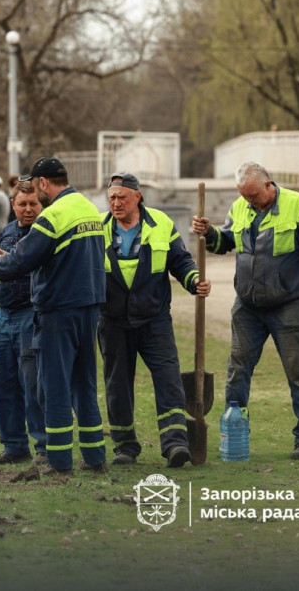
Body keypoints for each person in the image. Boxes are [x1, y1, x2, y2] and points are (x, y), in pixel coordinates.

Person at [0, 156, 107, 474]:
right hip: (90, 308)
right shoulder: (88, 208)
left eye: (36, 189)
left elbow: (21, 261)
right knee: (84, 385)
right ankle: (95, 458)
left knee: (53, 385)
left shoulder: (53, 216)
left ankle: (57, 461)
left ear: (43, 183)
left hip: (58, 311)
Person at [190, 161, 299, 460]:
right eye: (244, 196)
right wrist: (209, 232)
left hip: (288, 306)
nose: (248, 201)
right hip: (247, 307)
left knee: (298, 372)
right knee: (237, 372)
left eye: (253, 195)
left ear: (269, 185)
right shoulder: (240, 207)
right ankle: (234, 433)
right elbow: (225, 242)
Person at [99, 172, 211, 469]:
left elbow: (181, 261)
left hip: (154, 319)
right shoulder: (97, 230)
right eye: (111, 197)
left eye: (122, 197)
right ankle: (125, 446)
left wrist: (194, 280)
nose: (116, 202)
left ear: (138, 197)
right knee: (117, 384)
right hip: (112, 322)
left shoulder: (161, 223)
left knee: (168, 380)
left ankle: (175, 444)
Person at [0, 180, 47, 465]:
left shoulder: (44, 233)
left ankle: (44, 447)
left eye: (33, 203)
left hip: (28, 314)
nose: (28, 209)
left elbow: (39, 270)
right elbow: (3, 268)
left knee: (32, 383)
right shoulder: (7, 231)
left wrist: (9, 263)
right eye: (22, 204)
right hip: (4, 315)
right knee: (4, 382)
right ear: (13, 205)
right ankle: (13, 446)